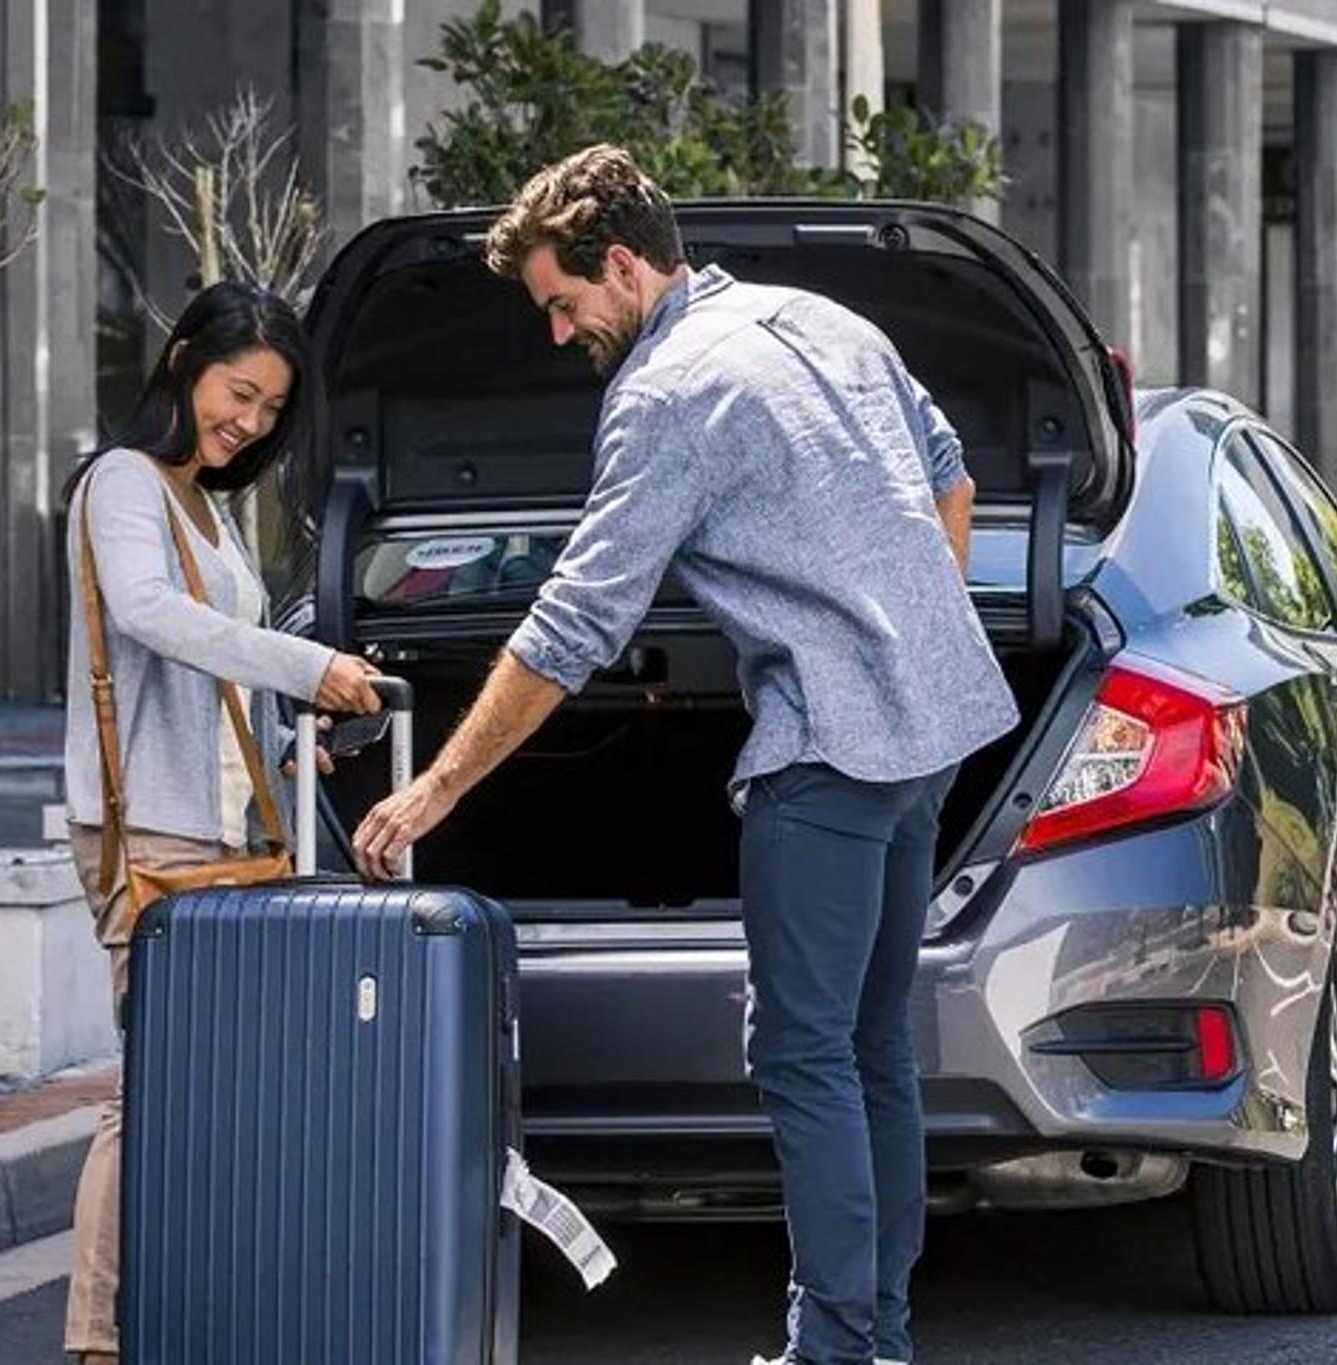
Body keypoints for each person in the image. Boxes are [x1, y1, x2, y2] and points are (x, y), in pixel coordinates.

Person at [351, 146, 1019, 1365]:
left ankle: (831, 1349)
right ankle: (878, 1340)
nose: (559, 336)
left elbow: (573, 623)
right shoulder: (822, 319)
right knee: (872, 1045)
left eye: (563, 304)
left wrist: (435, 786)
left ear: (621, 260)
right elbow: (951, 477)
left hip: (825, 752)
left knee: (801, 1052)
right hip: (931, 738)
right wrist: (913, 629)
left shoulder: (667, 393)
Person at [59, 282, 383, 1365]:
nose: (245, 422)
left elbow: (213, 680)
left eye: (267, 412)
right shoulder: (122, 482)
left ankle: (185, 1316)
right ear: (183, 358)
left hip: (221, 833)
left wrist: (294, 744)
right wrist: (311, 668)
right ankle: (97, 1341)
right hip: (148, 832)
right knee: (146, 1093)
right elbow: (151, 616)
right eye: (236, 393)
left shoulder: (209, 503)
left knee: (205, 1091)